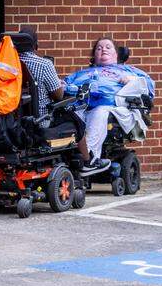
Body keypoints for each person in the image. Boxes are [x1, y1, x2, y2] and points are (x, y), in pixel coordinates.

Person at [13, 26, 110, 175]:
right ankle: (86, 162)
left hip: (13, 120)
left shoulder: (5, 64)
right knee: (77, 120)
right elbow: (58, 96)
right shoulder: (44, 64)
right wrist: (62, 87)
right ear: (35, 45)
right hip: (41, 120)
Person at [65, 37, 156, 162]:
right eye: (99, 48)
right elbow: (63, 85)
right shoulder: (82, 73)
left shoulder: (129, 70)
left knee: (99, 112)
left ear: (116, 54)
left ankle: (89, 157)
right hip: (81, 106)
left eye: (108, 47)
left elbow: (150, 86)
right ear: (94, 55)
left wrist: (133, 80)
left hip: (111, 107)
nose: (103, 50)